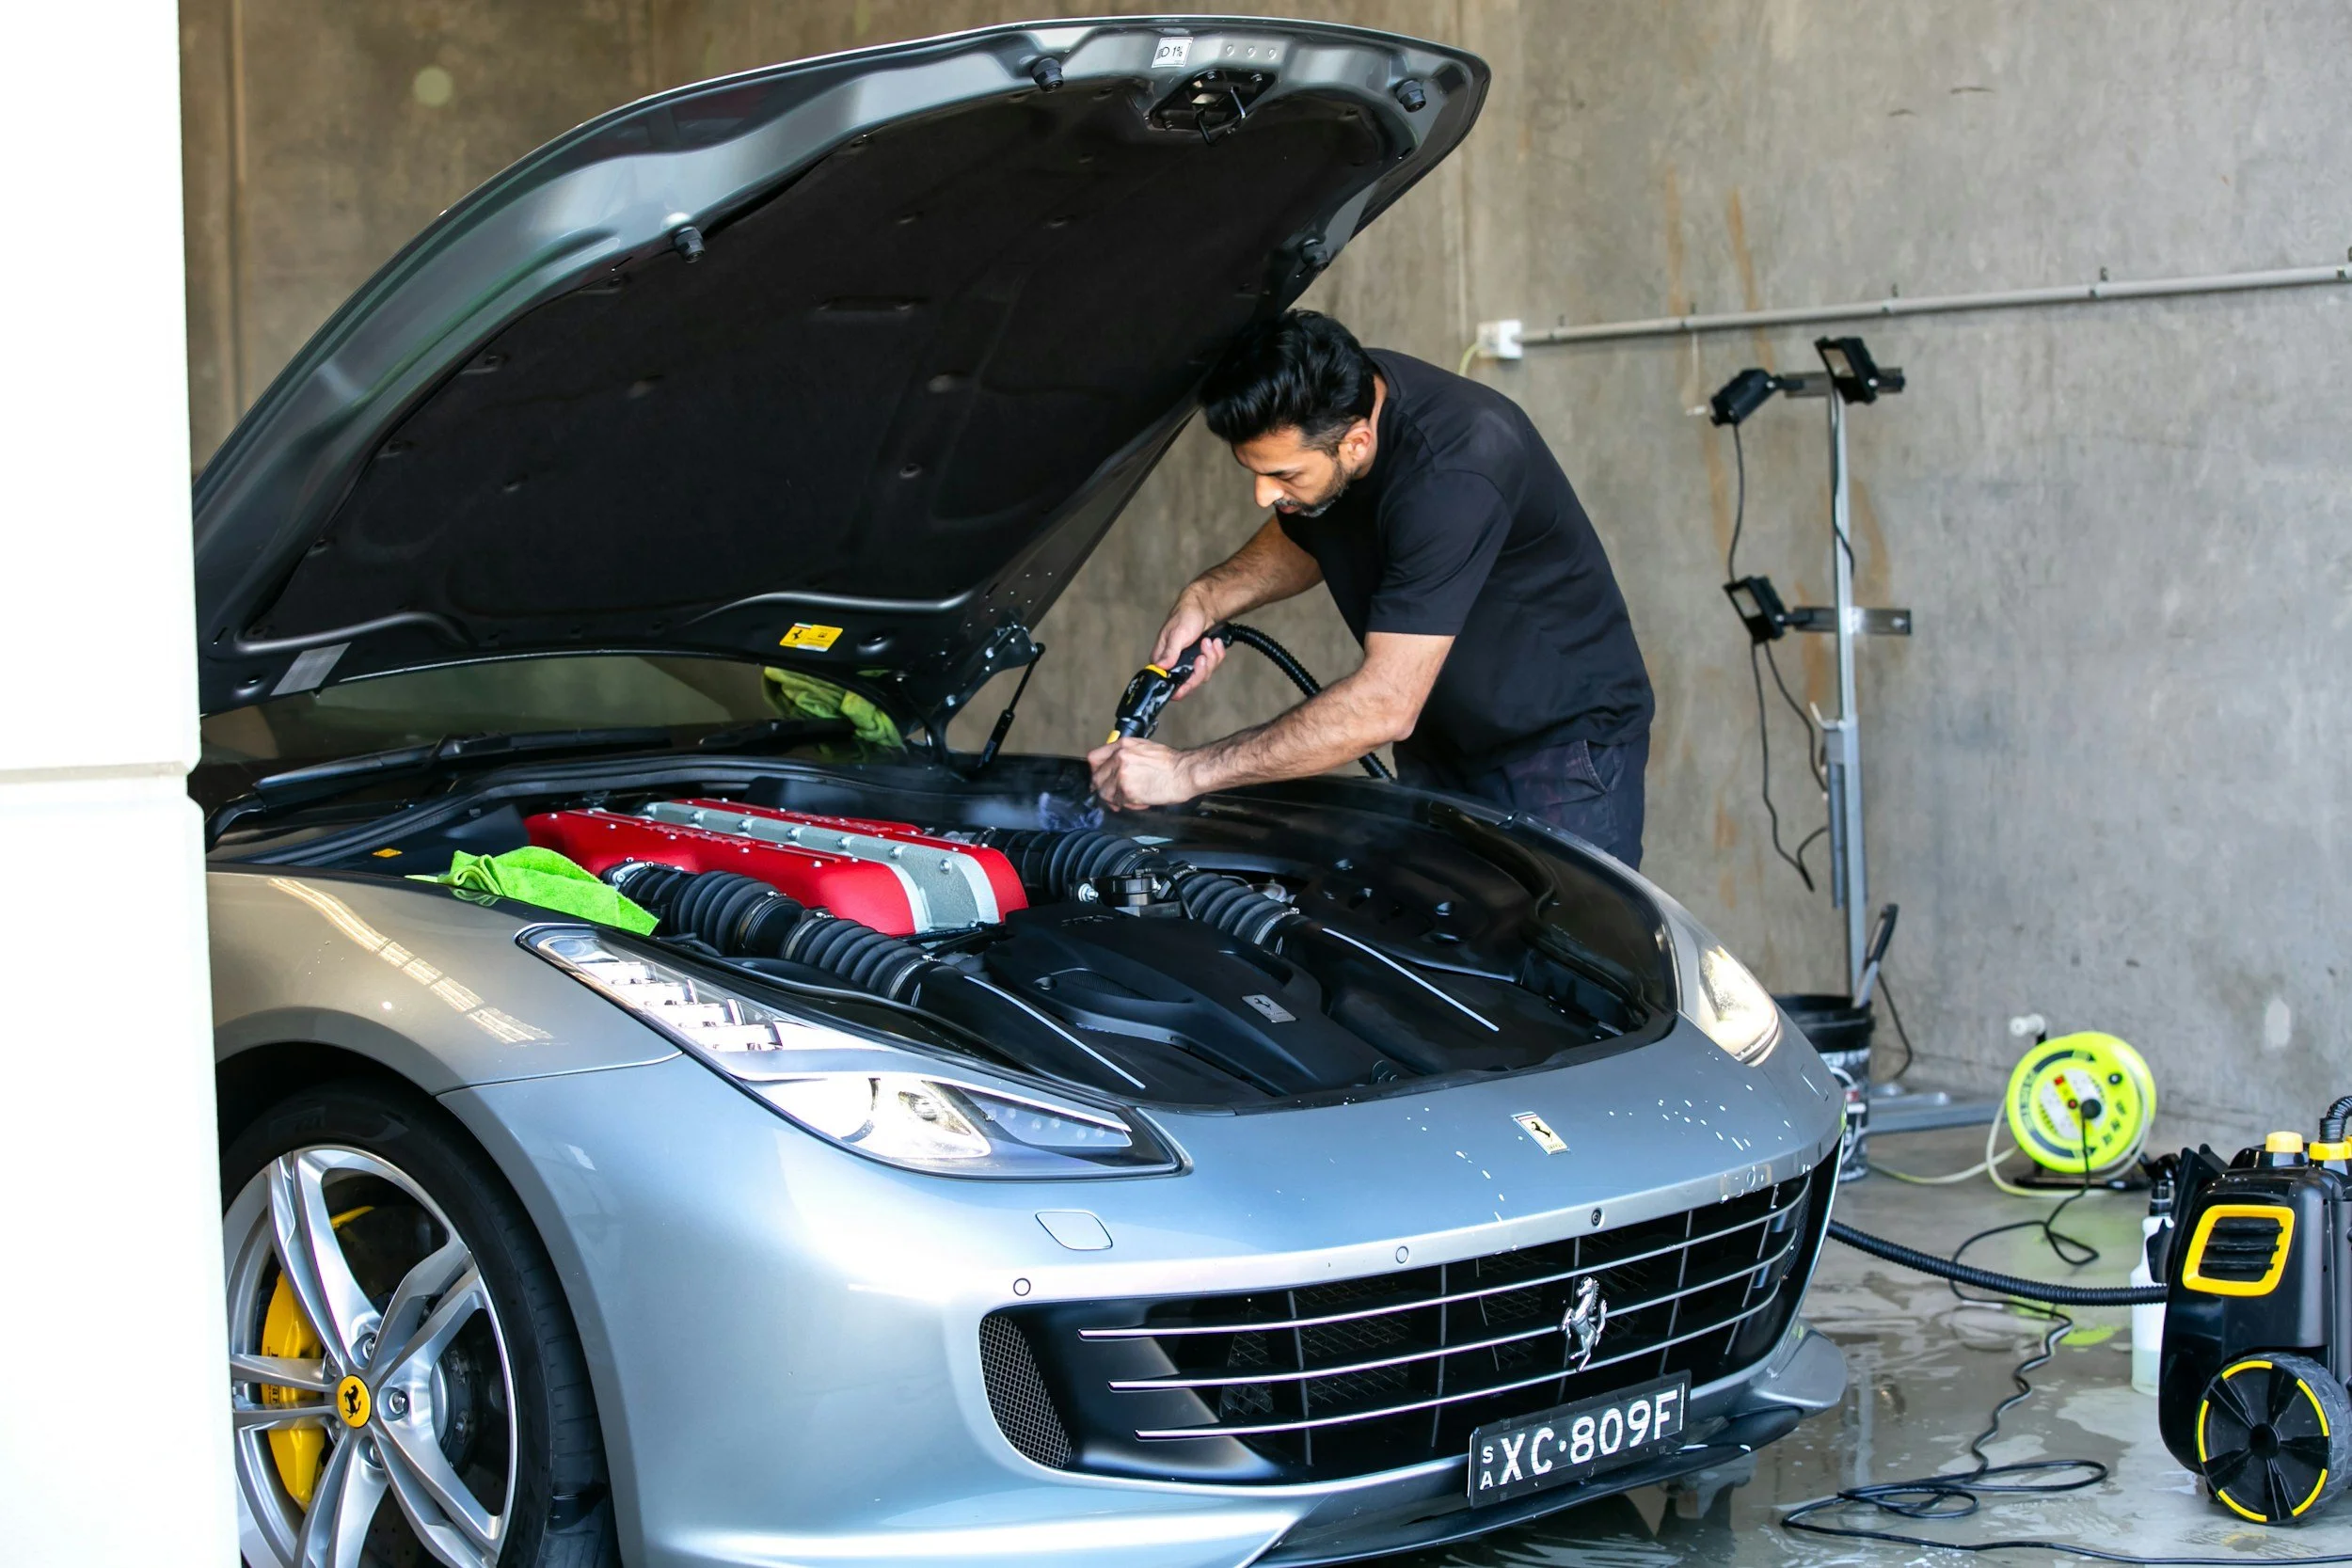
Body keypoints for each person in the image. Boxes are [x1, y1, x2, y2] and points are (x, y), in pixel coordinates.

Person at [1086, 309, 1655, 865]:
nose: (1263, 496)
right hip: (1442, 740)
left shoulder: (1457, 471)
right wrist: (1208, 596)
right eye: (1255, 472)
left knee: (1553, 958)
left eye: (1282, 475)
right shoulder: (1342, 399)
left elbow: (1383, 706)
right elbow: (1312, 524)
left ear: (1356, 443)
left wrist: (1186, 773)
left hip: (1560, 754)